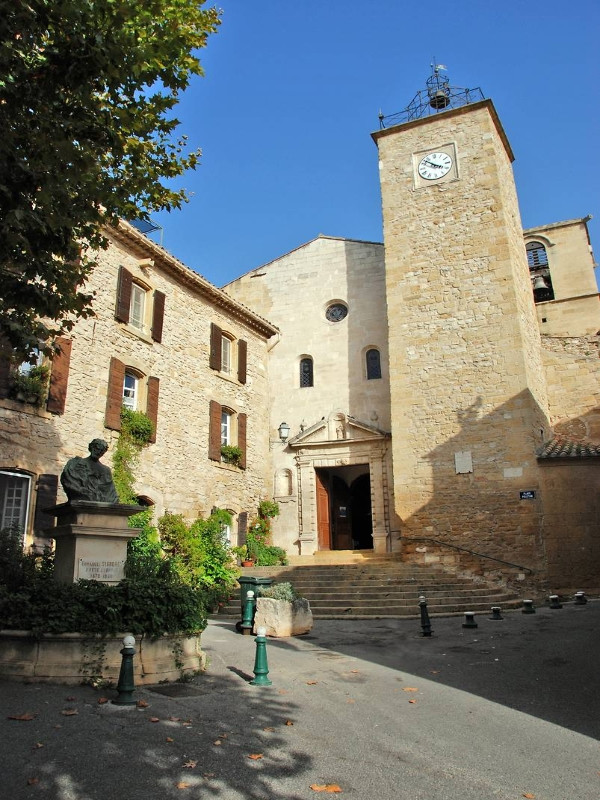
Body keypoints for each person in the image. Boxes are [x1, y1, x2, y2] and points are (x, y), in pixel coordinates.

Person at [61, 439, 120, 503]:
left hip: (97, 503)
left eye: (102, 451)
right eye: (97, 448)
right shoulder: (75, 463)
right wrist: (84, 492)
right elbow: (68, 480)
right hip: (80, 501)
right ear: (91, 447)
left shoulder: (105, 470)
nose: (99, 452)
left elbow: (110, 492)